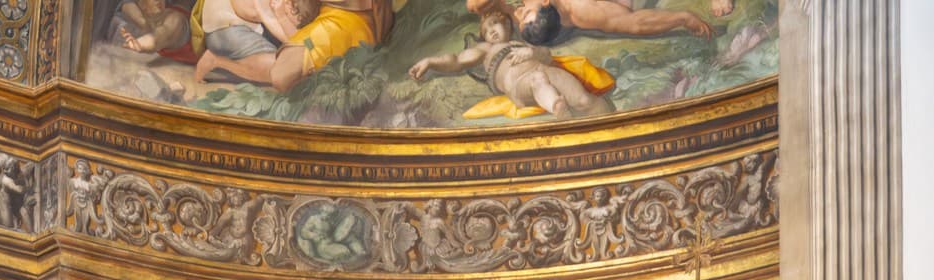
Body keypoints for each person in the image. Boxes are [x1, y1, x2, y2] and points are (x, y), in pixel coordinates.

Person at [409, 10, 614, 119]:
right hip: (521, 84)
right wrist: (429, 61)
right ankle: (559, 109)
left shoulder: (520, 43)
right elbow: (456, 60)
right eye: (486, 30)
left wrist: (531, 51)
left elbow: (546, 56)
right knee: (538, 79)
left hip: (545, 69)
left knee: (584, 100)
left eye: (494, 24)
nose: (491, 31)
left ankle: (612, 127)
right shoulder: (485, 50)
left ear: (506, 24)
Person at [195, 0, 392, 88]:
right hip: (228, 28)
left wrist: (301, 44)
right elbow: (258, 13)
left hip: (344, 23)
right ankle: (216, 61)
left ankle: (217, 61)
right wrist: (280, 15)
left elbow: (297, 35)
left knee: (288, 67)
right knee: (279, 70)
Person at [513, 0, 720, 42]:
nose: (517, 11)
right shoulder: (584, 11)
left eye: (521, 14)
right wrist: (683, 18)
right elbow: (635, 23)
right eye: (524, 13)